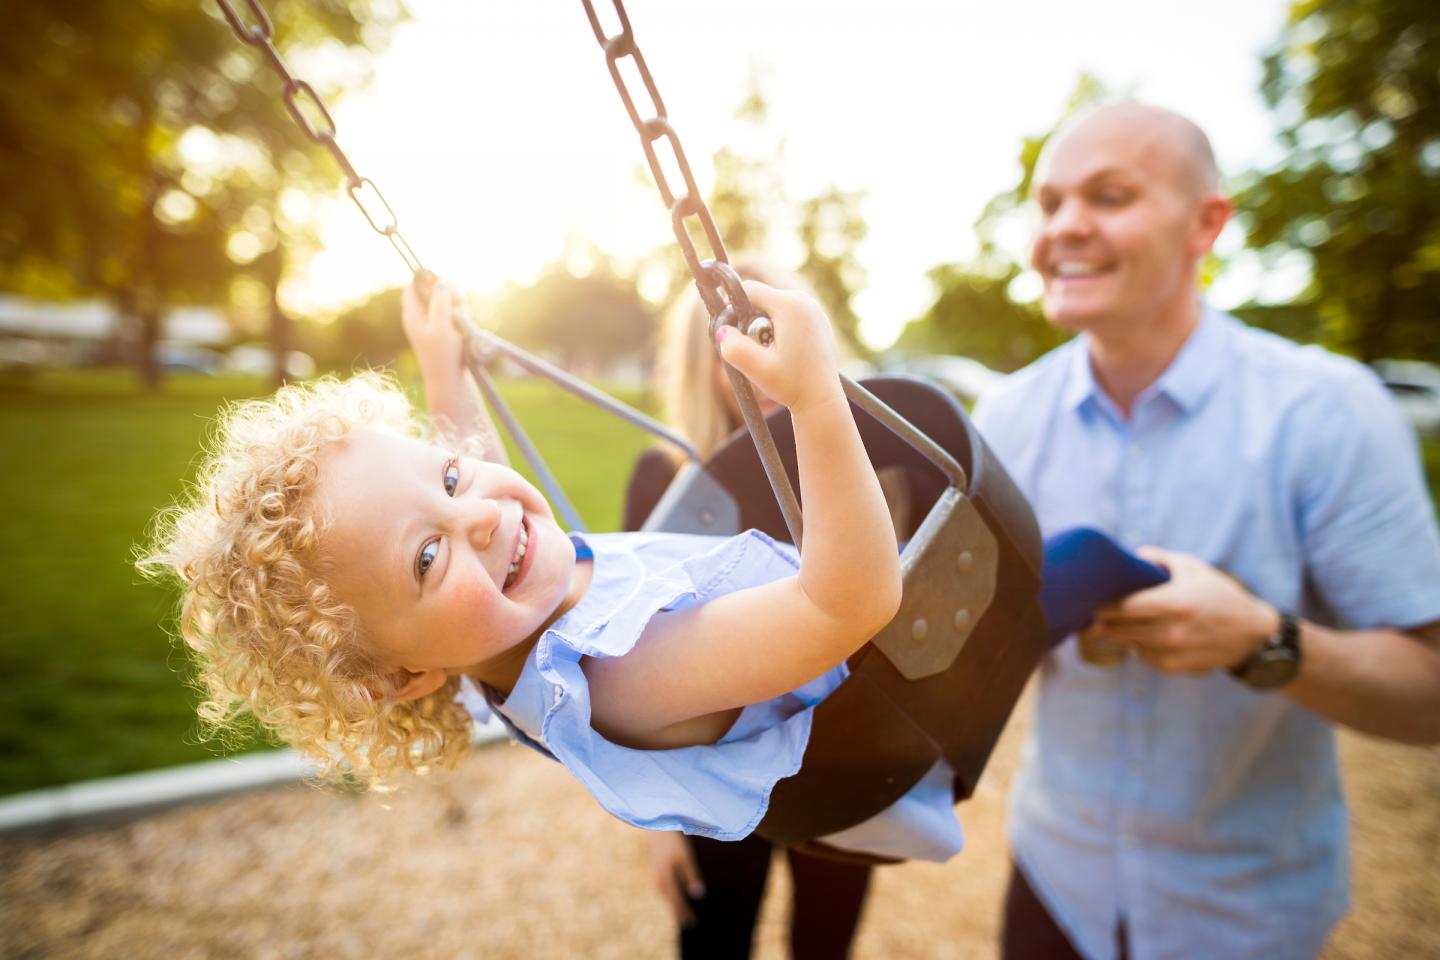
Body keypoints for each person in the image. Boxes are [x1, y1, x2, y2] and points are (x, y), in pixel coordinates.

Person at [141, 273, 979, 866]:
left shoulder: (492, 639)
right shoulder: (618, 672)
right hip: (906, 699)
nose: (479, 513)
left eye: (448, 477)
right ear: (402, 676)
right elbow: (850, 604)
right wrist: (816, 400)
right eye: (427, 558)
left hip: (818, 606)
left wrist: (443, 366)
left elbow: (467, 474)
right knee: (1070, 562)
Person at [972, 101, 1440, 960]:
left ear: (1207, 223)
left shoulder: (1328, 412)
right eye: (1049, 203)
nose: (1065, 228)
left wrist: (1265, 641)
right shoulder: (1003, 418)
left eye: (1109, 196)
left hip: (1244, 914)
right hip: (1054, 883)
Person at [625, 258, 875, 959]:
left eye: (771, 330)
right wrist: (657, 823)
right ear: (700, 362)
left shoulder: (862, 479)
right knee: (713, 942)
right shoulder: (665, 483)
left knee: (826, 944)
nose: (761, 361)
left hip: (842, 751)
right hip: (714, 765)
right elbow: (630, 653)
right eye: (732, 339)